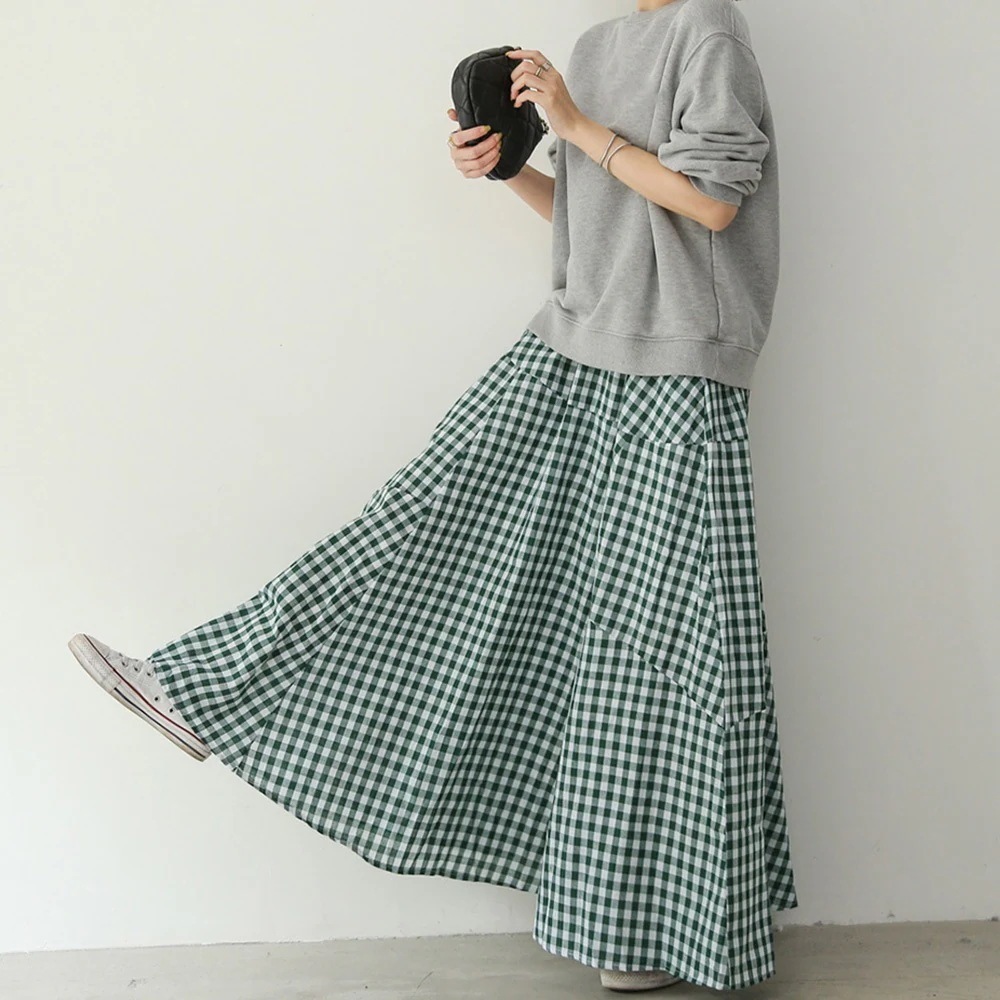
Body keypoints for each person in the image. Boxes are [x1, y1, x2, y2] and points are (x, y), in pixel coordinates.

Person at [69, 0, 798, 992]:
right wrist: (511, 171)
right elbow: (597, 214)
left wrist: (576, 125)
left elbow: (711, 203)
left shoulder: (707, 31)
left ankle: (637, 936)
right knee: (422, 520)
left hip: (675, 371)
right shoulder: (597, 45)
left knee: (652, 655)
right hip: (574, 341)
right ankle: (211, 690)